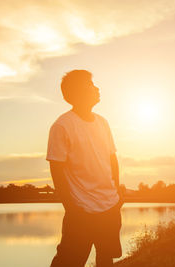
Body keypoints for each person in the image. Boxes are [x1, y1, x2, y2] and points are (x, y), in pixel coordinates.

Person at [46, 69, 124, 267]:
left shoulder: (103, 123)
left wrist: (116, 195)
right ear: (78, 91)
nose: (96, 88)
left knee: (106, 259)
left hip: (109, 207)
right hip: (81, 211)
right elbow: (57, 171)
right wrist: (72, 209)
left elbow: (112, 160)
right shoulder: (62, 126)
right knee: (68, 261)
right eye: (91, 84)